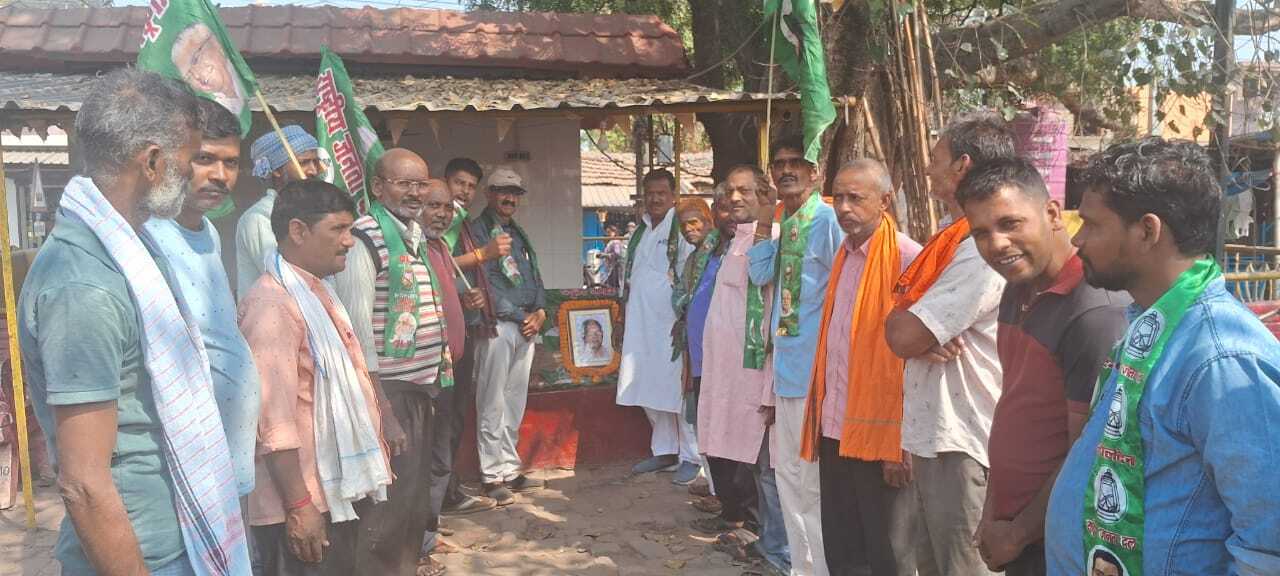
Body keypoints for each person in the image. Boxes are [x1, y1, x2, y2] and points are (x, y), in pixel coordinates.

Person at [20, 68, 250, 575]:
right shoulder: (84, 285)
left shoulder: (134, 250)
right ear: (152, 162)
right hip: (141, 557)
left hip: (176, 539)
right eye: (189, 159)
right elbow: (84, 484)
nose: (192, 174)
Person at [1045, 138, 1280, 575]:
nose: (1077, 239)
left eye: (1093, 225)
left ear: (1147, 231)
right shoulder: (1150, 327)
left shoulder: (1222, 357)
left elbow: (1269, 539)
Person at [957, 158, 1129, 576]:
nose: (997, 243)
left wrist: (1017, 533)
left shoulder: (1093, 312)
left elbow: (1088, 453)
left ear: (1052, 214)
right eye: (981, 233)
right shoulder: (1017, 289)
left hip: (1059, 541)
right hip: (1018, 530)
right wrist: (994, 512)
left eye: (1010, 224)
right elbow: (1015, 408)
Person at [884, 114, 1015, 576]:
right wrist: (908, 329)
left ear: (962, 165)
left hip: (963, 439)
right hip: (935, 434)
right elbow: (901, 326)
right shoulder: (949, 236)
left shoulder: (981, 248)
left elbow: (905, 333)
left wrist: (910, 330)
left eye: (935, 158)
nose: (926, 168)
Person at [240, 180, 392, 576]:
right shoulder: (272, 305)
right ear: (298, 231)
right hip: (303, 500)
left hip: (332, 491)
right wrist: (299, 506)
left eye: (350, 229)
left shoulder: (316, 292)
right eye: (338, 229)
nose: (349, 241)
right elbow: (273, 424)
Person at [328, 149, 450, 576]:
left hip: (418, 391)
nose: (415, 193)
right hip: (388, 395)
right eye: (404, 184)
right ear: (378, 187)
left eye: (421, 184)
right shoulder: (366, 238)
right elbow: (357, 332)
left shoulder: (414, 235)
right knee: (384, 509)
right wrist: (382, 408)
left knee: (409, 504)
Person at [798, 160, 923, 576]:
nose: (844, 208)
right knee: (843, 544)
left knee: (888, 550)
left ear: (884, 201)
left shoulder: (907, 257)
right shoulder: (844, 256)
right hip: (836, 427)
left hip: (882, 435)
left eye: (856, 198)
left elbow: (917, 359)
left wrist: (902, 443)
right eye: (839, 197)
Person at [144, 99, 261, 512]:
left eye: (231, 163)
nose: (220, 175)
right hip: (183, 469)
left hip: (229, 467)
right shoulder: (147, 239)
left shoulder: (208, 231)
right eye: (204, 159)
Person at [748, 135, 845, 576]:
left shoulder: (827, 220)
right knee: (787, 475)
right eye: (779, 164)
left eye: (795, 162)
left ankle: (822, 568)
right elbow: (759, 273)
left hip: (818, 372)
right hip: (786, 370)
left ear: (815, 171)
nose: (786, 170)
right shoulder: (785, 222)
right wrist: (764, 219)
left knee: (812, 481)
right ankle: (802, 568)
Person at [697, 165, 791, 575]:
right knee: (755, 466)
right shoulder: (733, 240)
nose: (735, 197)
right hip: (732, 380)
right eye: (731, 191)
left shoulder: (774, 239)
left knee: (770, 470)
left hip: (762, 381)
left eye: (745, 191)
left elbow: (774, 316)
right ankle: (768, 543)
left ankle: (780, 554)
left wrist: (770, 386)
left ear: (765, 195)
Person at [416, 178, 490, 565]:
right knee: (428, 456)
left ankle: (427, 533)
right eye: (434, 205)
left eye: (447, 207)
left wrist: (466, 297)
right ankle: (419, 542)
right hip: (426, 374)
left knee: (442, 452)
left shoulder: (441, 248)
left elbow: (443, 295)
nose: (443, 214)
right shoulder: (411, 250)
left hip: (451, 368)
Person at [468, 166, 548, 506]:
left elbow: (535, 277)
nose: (509, 198)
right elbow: (484, 283)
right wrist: (521, 316)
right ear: (489, 194)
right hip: (497, 326)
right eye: (503, 191)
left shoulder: (517, 232)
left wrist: (540, 311)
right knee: (492, 400)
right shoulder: (476, 231)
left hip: (525, 327)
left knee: (514, 400)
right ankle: (491, 475)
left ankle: (510, 469)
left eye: (514, 193)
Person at [617, 169, 700, 484]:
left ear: (673, 195)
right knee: (648, 385)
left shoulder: (680, 227)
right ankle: (665, 451)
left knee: (677, 389)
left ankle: (692, 456)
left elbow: (690, 274)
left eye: (661, 193)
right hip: (640, 323)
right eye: (649, 193)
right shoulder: (640, 230)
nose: (654, 199)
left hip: (671, 325)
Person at [435, 158, 506, 519]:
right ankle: (441, 497)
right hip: (439, 336)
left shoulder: (460, 221)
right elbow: (438, 265)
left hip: (462, 324)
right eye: (458, 183)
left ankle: (449, 490)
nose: (464, 191)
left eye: (470, 186)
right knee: (445, 415)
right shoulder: (440, 224)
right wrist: (483, 255)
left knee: (456, 412)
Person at [235, 125, 321, 299]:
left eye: (315, 162)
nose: (313, 171)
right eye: (304, 162)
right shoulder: (260, 218)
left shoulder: (309, 213)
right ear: (277, 170)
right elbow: (290, 282)